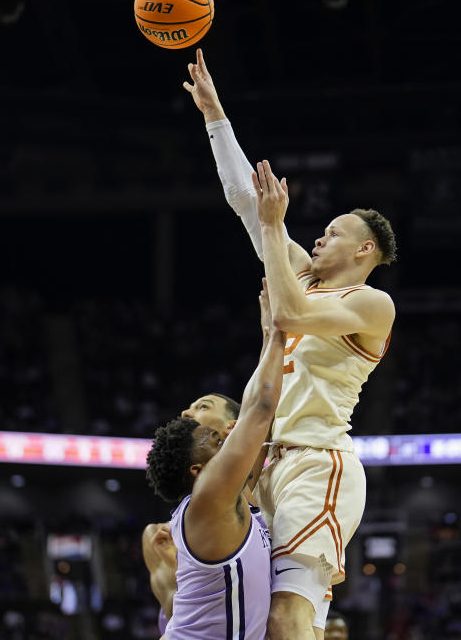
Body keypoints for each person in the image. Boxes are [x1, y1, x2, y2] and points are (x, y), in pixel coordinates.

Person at [183, 48, 397, 640]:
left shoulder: (371, 305)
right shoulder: (299, 273)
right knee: (276, 622)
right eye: (320, 233)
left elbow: (290, 313)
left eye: (333, 234)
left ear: (363, 252)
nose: (320, 238)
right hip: (268, 466)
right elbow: (245, 202)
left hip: (315, 462)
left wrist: (277, 231)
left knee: (286, 619)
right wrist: (214, 116)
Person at [145, 282, 284, 639]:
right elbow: (261, 409)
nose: (214, 436)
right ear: (198, 468)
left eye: (202, 410)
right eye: (209, 439)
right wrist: (274, 334)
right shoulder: (210, 497)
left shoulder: (237, 495)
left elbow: (262, 419)